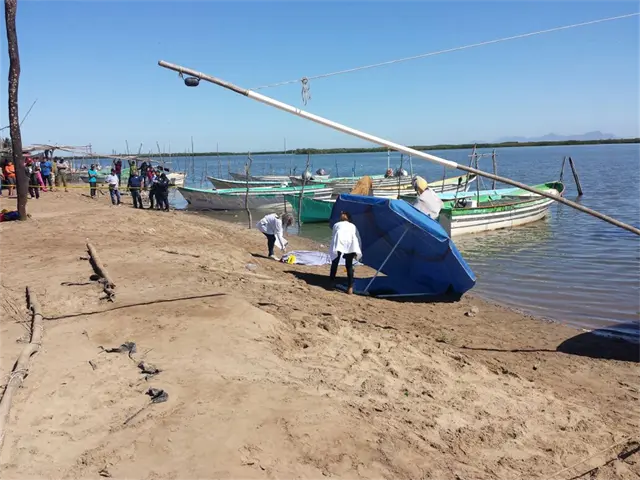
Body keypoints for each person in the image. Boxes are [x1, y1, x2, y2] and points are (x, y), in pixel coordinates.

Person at [329, 211, 362, 295]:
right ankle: (350, 287)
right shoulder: (352, 226)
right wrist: (356, 251)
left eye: (343, 214)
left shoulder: (337, 224)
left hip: (340, 243)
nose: (342, 215)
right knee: (348, 265)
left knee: (335, 262)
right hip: (350, 244)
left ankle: (332, 282)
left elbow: (334, 236)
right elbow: (357, 238)